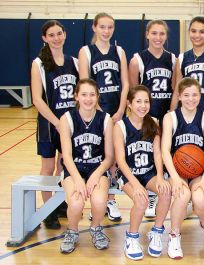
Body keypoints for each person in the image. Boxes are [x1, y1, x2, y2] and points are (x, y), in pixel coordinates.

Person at [79, 12, 129, 222]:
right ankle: (98, 202)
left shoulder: (119, 51)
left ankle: (110, 200)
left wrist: (119, 110)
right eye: (102, 27)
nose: (106, 31)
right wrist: (99, 110)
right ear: (94, 28)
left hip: (117, 110)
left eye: (110, 27)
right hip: (96, 111)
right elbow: (84, 83)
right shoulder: (86, 52)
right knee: (100, 154)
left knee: (116, 156)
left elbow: (126, 83)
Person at [113, 85, 171, 260]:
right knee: (141, 200)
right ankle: (131, 237)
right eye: (138, 101)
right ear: (129, 103)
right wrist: (136, 185)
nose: (143, 105)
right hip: (127, 174)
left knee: (166, 191)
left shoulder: (153, 122)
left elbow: (157, 153)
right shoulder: (120, 127)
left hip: (148, 172)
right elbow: (120, 161)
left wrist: (160, 177)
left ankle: (156, 232)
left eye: (146, 101)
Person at [162, 77, 204, 259]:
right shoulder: (170, 117)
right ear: (179, 96)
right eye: (186, 95)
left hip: (198, 171)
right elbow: (165, 150)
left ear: (200, 96)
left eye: (194, 95)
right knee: (182, 194)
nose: (190, 99)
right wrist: (176, 179)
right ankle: (174, 235)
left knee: (200, 199)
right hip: (175, 170)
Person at [31, 20, 79, 229]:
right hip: (50, 124)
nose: (56, 38)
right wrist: (56, 122)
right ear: (44, 38)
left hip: (69, 123)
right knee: (48, 167)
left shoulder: (74, 62)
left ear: (65, 35)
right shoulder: (38, 63)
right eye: (51, 35)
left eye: (59, 33)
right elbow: (37, 99)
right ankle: (48, 209)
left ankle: (59, 202)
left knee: (65, 164)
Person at [59, 78, 114, 254]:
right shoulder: (67, 118)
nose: (88, 99)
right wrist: (78, 180)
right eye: (84, 94)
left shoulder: (105, 119)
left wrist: (95, 176)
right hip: (73, 168)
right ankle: (72, 231)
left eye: (92, 95)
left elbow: (109, 157)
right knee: (76, 202)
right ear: (76, 96)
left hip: (97, 167)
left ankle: (96, 228)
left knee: (99, 201)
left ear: (97, 96)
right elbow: (66, 156)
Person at [128, 19, 176, 218]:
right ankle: (150, 192)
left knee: (164, 152)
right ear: (147, 35)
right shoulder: (137, 59)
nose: (158, 37)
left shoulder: (172, 58)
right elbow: (133, 91)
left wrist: (171, 114)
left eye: (162, 34)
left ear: (166, 36)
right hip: (145, 115)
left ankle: (158, 185)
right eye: (154, 33)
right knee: (147, 153)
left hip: (165, 114)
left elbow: (175, 89)